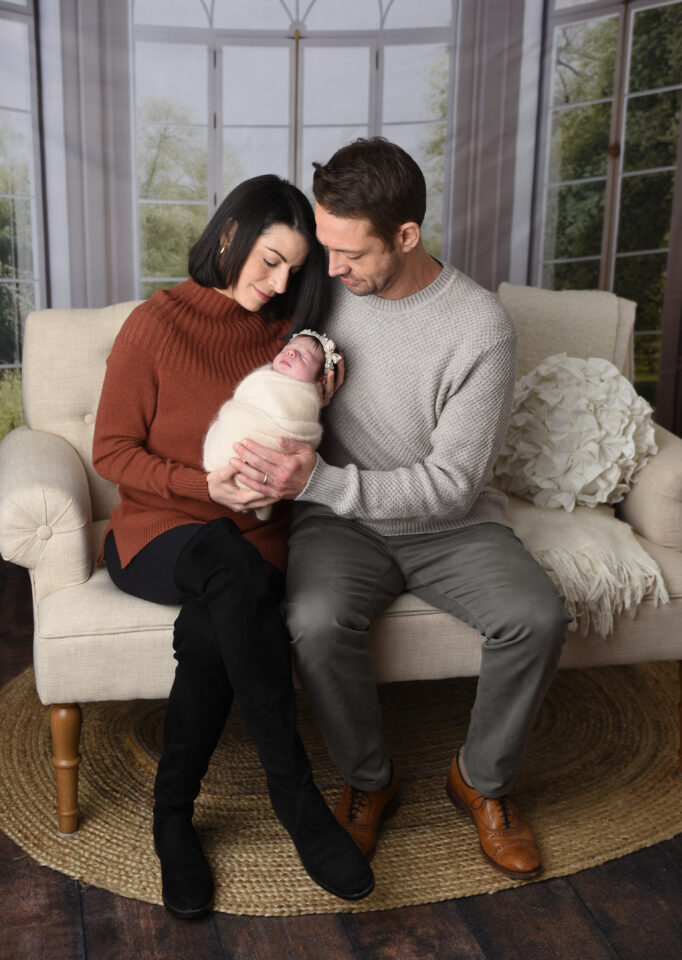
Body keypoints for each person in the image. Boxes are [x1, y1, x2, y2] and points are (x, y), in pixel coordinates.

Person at [228, 139, 571, 881]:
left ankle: (480, 780)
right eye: (325, 245)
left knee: (538, 617)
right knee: (313, 621)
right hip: (340, 523)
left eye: (349, 252)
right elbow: (241, 331)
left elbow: (451, 485)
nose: (333, 267)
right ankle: (369, 778)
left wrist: (314, 481)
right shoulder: (324, 281)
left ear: (406, 235)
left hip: (448, 523)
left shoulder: (479, 326)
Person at [92, 174, 374, 920]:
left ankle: (172, 816)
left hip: (256, 545)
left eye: (293, 269)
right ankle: (297, 798)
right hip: (159, 532)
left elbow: (296, 440)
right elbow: (111, 453)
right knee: (226, 564)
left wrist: (322, 393)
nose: (279, 281)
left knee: (218, 618)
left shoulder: (288, 343)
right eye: (269, 260)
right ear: (229, 236)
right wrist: (205, 489)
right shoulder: (153, 325)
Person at [203, 331, 340, 520]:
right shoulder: (262, 378)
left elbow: (298, 429)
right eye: (288, 349)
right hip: (216, 474)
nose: (291, 354)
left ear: (320, 381)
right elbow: (240, 405)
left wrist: (315, 399)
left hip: (262, 485)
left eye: (304, 357)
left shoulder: (304, 401)